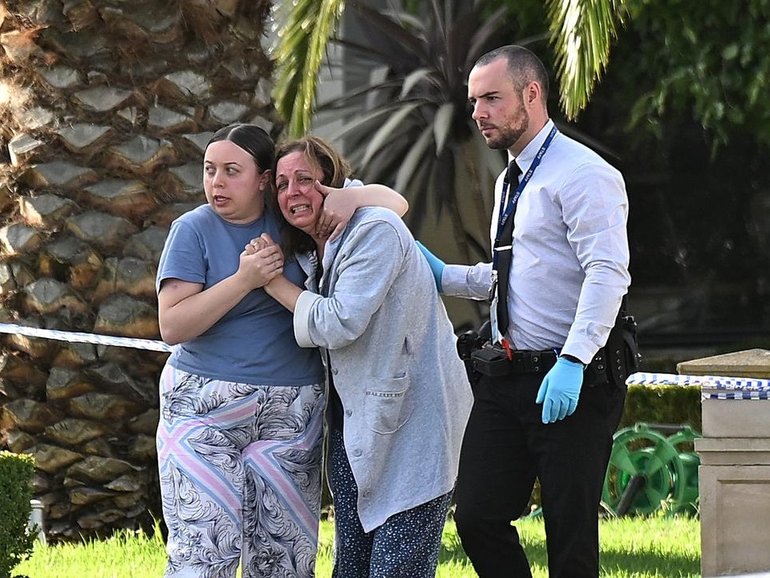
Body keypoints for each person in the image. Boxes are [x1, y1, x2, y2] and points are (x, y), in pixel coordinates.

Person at [155, 123, 408, 578]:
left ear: (263, 179)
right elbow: (172, 325)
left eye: (232, 171)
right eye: (210, 170)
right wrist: (245, 279)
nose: (217, 182)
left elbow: (395, 205)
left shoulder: (293, 218)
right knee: (203, 551)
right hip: (203, 411)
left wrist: (351, 197)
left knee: (285, 559)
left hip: (292, 412)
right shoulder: (191, 229)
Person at [417, 45, 632, 578]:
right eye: (474, 101)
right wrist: (447, 275)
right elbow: (515, 276)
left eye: (492, 98)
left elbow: (607, 274)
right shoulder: (510, 177)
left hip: (575, 379)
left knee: (569, 534)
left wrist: (575, 361)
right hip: (507, 378)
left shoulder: (583, 174)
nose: (478, 112)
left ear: (532, 94)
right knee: (476, 516)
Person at [250, 135, 473, 578]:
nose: (293, 192)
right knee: (350, 569)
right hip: (354, 433)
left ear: (331, 183)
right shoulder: (311, 246)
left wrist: (273, 284)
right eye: (282, 184)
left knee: (397, 568)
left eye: (305, 180)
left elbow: (338, 322)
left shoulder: (374, 231)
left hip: (413, 429)